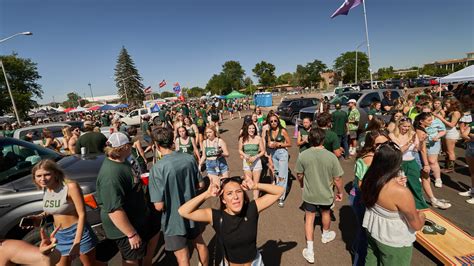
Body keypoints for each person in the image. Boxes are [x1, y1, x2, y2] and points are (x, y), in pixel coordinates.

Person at [178, 177, 284, 266]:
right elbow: (183, 211)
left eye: (238, 192)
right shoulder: (216, 216)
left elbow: (279, 191)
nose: (235, 197)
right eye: (229, 193)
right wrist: (207, 194)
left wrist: (255, 185)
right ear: (223, 200)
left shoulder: (251, 209)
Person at [148, 127, 209, 266]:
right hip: (192, 212)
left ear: (157, 145)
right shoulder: (189, 158)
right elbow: (200, 185)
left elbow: (159, 206)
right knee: (199, 244)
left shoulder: (157, 169)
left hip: (173, 219)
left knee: (182, 257)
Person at [96, 132, 158, 265]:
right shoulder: (111, 175)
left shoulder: (122, 161)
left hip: (136, 219)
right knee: (131, 260)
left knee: (153, 233)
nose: (131, 146)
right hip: (124, 228)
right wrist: (131, 234)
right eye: (129, 144)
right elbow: (114, 209)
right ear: (124, 147)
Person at [361, 142, 425, 266]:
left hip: (372, 229)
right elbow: (416, 225)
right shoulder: (401, 192)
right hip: (393, 239)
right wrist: (422, 216)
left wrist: (394, 180)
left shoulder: (369, 177)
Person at [29, 159, 97, 265]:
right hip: (59, 235)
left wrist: (77, 242)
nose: (42, 179)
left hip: (78, 233)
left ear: (55, 173)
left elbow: (82, 214)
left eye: (47, 174)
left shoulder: (70, 187)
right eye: (38, 176)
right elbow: (53, 209)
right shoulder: (46, 188)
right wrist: (39, 216)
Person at [296, 128, 344, 264]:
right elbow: (337, 179)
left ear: (310, 139)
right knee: (326, 212)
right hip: (326, 193)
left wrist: (301, 184)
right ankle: (325, 234)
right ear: (323, 139)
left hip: (310, 193)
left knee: (309, 219)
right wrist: (340, 192)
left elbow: (299, 174)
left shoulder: (303, 155)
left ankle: (310, 250)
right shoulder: (331, 157)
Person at [349, 130, 389, 266]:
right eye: (379, 144)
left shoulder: (380, 156)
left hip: (364, 196)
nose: (384, 146)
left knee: (362, 230)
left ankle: (355, 248)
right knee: (365, 235)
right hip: (362, 198)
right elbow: (361, 185)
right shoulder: (369, 159)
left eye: (386, 143)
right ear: (371, 144)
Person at [413, 113, 451, 209]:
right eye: (429, 120)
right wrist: (426, 164)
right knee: (422, 177)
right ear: (422, 121)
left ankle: (431, 199)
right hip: (417, 156)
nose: (431, 122)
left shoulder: (421, 129)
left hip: (417, 156)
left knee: (425, 178)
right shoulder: (421, 132)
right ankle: (426, 200)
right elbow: (422, 149)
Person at [266, 113, 292, 207]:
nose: (273, 123)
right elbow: (268, 142)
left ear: (278, 121)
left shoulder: (283, 131)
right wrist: (270, 144)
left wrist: (279, 144)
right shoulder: (269, 132)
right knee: (277, 173)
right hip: (274, 154)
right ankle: (278, 192)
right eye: (271, 121)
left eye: (275, 121)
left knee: (282, 175)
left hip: (282, 153)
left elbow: (289, 143)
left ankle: (281, 197)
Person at [434, 98, 462, 172]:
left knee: (450, 151)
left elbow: (452, 125)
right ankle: (447, 165)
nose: (445, 105)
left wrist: (440, 118)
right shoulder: (449, 112)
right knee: (446, 151)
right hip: (446, 132)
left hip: (451, 133)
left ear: (452, 104)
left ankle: (450, 168)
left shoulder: (456, 113)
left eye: (447, 103)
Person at [238, 123, 265, 199]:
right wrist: (245, 155)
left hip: (256, 162)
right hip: (247, 162)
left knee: (256, 184)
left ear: (255, 129)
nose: (251, 130)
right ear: (247, 129)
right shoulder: (242, 138)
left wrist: (256, 156)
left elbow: (263, 151)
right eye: (250, 128)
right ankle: (245, 200)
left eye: (253, 128)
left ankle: (255, 202)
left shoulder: (258, 138)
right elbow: (240, 150)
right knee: (248, 183)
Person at [423, 107, 446, 188]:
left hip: (433, 143)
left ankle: (438, 179)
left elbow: (443, 130)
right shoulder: (419, 120)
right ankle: (425, 177)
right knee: (424, 160)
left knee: (432, 161)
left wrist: (437, 136)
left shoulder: (437, 121)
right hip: (422, 143)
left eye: (428, 113)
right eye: (424, 113)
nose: (426, 115)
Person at [458, 95, 474, 204]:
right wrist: (471, 137)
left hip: (471, 145)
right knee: (472, 172)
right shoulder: (472, 119)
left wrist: (470, 136)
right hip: (470, 147)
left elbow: (467, 134)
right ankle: (473, 190)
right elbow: (463, 134)